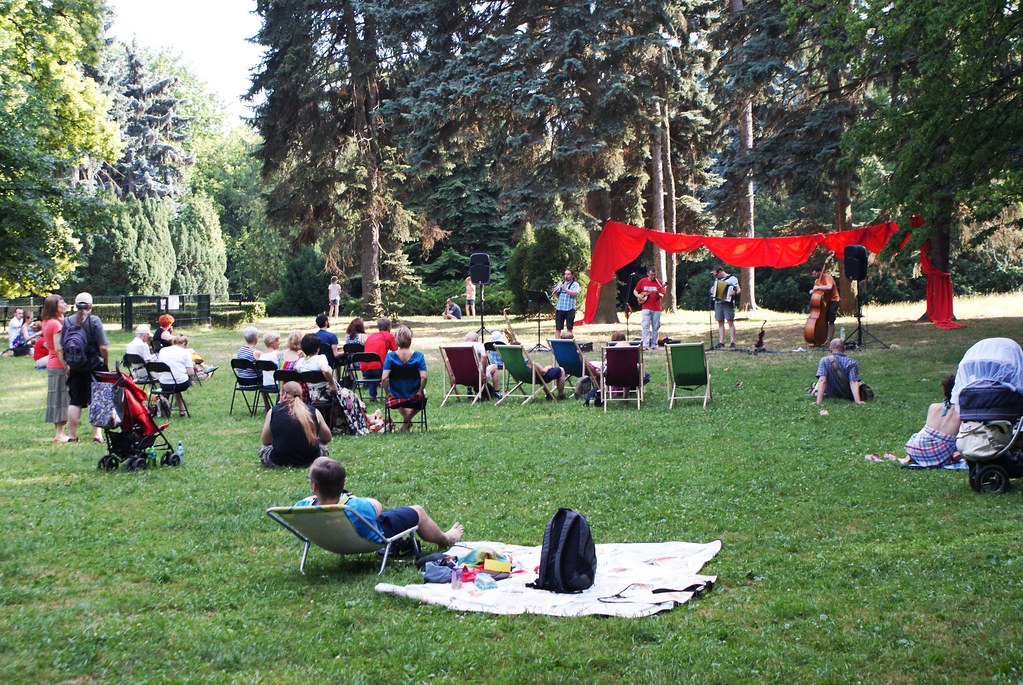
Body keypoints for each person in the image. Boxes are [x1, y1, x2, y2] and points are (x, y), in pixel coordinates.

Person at [295, 456, 464, 548]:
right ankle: (445, 539)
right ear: (343, 485)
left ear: (313, 486)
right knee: (418, 511)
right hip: (373, 537)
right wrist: (353, 498)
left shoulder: (301, 509)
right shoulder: (355, 507)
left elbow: (309, 500)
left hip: (330, 541)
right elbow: (377, 506)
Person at [56, 292, 109, 443]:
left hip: (75, 366)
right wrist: (105, 363)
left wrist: (67, 365)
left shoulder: (67, 321)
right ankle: (97, 435)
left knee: (75, 401)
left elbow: (61, 347)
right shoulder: (94, 321)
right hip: (93, 366)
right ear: (91, 305)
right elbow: (103, 347)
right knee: (95, 399)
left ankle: (73, 436)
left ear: (76, 305)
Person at [259, 381, 332, 468]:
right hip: (312, 459)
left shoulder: (273, 412)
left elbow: (266, 441)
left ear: (284, 395)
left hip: (279, 460)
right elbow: (327, 437)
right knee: (322, 445)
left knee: (263, 448)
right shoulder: (314, 411)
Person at [898, 374, 962, 467]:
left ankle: (911, 458)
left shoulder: (933, 407)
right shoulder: (962, 413)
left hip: (916, 448)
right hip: (938, 455)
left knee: (925, 433)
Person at [382, 325, 428, 431]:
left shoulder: (390, 356)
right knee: (424, 395)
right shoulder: (419, 356)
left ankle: (406, 421)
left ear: (396, 340)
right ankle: (408, 420)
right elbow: (424, 377)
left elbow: (384, 378)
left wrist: (387, 392)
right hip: (414, 396)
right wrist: (420, 391)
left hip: (396, 396)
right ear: (410, 339)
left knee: (395, 393)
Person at [40, 295, 69, 442]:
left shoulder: (46, 322)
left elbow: (46, 344)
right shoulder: (56, 324)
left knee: (55, 398)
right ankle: (60, 434)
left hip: (51, 364)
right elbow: (59, 348)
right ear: (54, 307)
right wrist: (67, 367)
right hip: (58, 365)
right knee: (62, 399)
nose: (65, 304)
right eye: (61, 302)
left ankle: (59, 433)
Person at [813, 338, 864, 404]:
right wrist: (858, 401)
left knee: (815, 385)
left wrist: (818, 401)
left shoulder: (824, 361)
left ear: (830, 349)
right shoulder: (851, 362)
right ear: (844, 348)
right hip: (845, 394)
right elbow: (853, 382)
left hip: (829, 393)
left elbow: (823, 380)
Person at [157, 335, 195, 417]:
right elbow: (190, 372)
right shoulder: (185, 352)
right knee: (178, 382)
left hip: (164, 384)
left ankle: (170, 406)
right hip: (180, 384)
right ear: (183, 343)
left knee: (175, 382)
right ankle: (181, 410)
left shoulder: (162, 350)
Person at [295, 333, 337, 403]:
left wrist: (299, 359)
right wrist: (332, 384)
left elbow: (295, 371)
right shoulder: (320, 358)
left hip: (311, 396)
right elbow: (325, 371)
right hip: (328, 393)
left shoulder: (301, 361)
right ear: (318, 348)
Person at [362, 318, 397, 402]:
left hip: (365, 370)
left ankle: (372, 396)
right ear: (389, 327)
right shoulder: (389, 336)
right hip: (378, 370)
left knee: (372, 371)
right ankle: (392, 393)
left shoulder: (371, 336)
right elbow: (396, 351)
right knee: (393, 370)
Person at [634, 266, 666, 350]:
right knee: (645, 326)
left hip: (656, 308)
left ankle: (654, 345)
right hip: (646, 307)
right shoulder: (642, 281)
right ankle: (645, 345)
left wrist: (657, 294)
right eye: (652, 275)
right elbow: (635, 291)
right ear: (648, 274)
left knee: (655, 327)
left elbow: (662, 295)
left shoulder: (659, 282)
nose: (653, 276)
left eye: (655, 275)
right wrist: (639, 296)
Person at [810, 263, 841, 343]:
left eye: (815, 274)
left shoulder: (828, 277)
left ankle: (829, 339)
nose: (814, 276)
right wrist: (812, 291)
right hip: (824, 302)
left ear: (820, 272)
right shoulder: (817, 281)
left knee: (831, 319)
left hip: (834, 300)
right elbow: (816, 291)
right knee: (823, 319)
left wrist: (818, 287)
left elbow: (829, 287)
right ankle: (821, 338)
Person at [710, 266, 739, 348]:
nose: (715, 277)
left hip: (728, 303)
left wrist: (734, 292)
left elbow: (738, 289)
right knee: (720, 322)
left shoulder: (732, 278)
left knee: (730, 321)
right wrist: (712, 290)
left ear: (720, 271)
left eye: (716, 275)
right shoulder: (717, 280)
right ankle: (721, 342)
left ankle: (732, 342)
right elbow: (713, 290)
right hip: (718, 303)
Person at [552, 268, 580, 337]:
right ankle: (556, 342)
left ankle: (569, 342)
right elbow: (556, 295)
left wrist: (565, 289)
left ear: (572, 275)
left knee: (569, 328)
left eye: (568, 274)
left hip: (569, 309)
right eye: (565, 274)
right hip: (560, 308)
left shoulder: (575, 284)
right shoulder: (561, 283)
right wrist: (555, 291)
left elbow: (575, 294)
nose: (566, 276)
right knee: (558, 328)